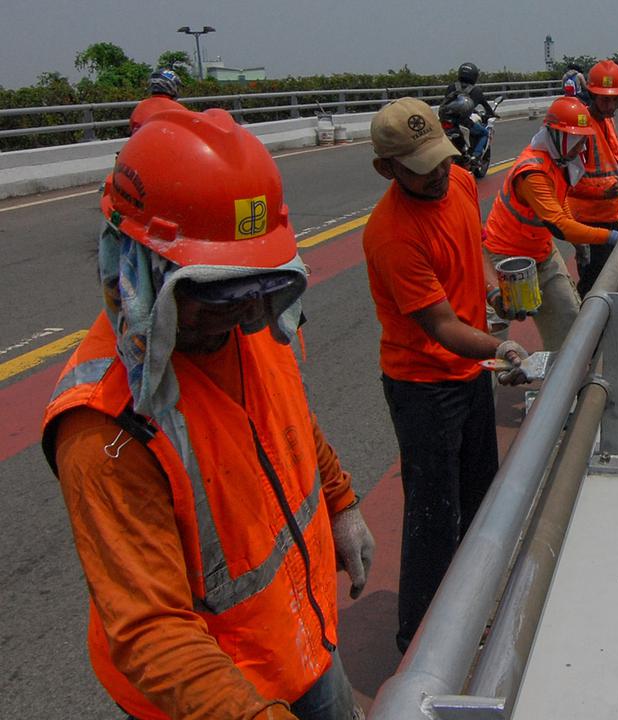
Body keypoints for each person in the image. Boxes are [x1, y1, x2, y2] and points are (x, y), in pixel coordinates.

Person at [43, 107, 374, 720]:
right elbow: (152, 632)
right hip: (215, 697)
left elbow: (293, 419)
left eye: (259, 285)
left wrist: (341, 500)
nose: (244, 311)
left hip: (302, 641)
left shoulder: (252, 323)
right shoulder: (106, 427)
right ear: (143, 270)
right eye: (219, 292)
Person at [363, 96, 529, 653]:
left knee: (480, 495)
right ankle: (418, 641)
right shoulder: (391, 234)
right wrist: (503, 347)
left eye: (440, 158)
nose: (437, 174)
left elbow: (470, 245)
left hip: (469, 370)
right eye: (420, 168)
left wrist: (493, 294)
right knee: (434, 516)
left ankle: (470, 610)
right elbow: (439, 325)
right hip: (424, 387)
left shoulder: (456, 181)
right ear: (386, 169)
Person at [483, 96, 618, 350]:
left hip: (541, 253)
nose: (581, 147)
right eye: (575, 139)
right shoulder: (533, 172)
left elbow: (561, 203)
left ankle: (563, 374)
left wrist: (580, 244)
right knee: (494, 337)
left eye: (583, 139)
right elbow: (560, 226)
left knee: (569, 324)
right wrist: (610, 237)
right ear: (556, 136)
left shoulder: (559, 162)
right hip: (504, 259)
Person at [568, 60, 618, 294]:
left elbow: (610, 158)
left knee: (609, 275)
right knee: (594, 281)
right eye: (605, 99)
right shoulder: (581, 127)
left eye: (615, 99)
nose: (611, 105)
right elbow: (567, 181)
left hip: (608, 213)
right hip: (587, 219)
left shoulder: (607, 121)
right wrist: (602, 192)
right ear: (591, 95)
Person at [441, 62, 498, 164]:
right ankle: (475, 156)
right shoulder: (476, 91)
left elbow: (446, 102)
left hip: (446, 120)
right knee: (484, 133)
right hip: (463, 122)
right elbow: (486, 107)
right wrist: (492, 114)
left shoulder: (451, 87)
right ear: (474, 76)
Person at [129, 68, 184, 134]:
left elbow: (132, 127)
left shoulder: (140, 106)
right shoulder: (178, 109)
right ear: (171, 86)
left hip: (139, 140)